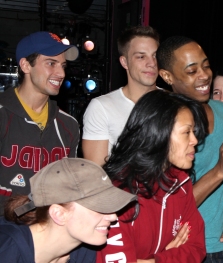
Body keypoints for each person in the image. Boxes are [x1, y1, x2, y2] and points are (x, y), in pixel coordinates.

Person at [157, 36, 223, 263]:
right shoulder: (164, 123)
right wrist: (220, 170)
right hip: (186, 246)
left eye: (206, 65)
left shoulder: (222, 111)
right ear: (167, 76)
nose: (204, 75)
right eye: (192, 70)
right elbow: (171, 205)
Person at [98, 90, 207, 262]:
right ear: (159, 133)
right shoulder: (118, 192)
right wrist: (166, 256)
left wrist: (154, 260)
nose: (194, 140)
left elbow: (197, 248)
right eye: (187, 132)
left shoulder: (180, 182)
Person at [0, 31, 80, 215]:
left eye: (63, 65)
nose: (60, 73)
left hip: (51, 229)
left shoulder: (68, 125)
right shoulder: (2, 114)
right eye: (51, 63)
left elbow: (68, 189)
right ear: (26, 65)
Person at [0, 158, 137, 263]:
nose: (113, 217)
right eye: (100, 208)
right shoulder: (6, 250)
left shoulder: (83, 249)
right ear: (59, 214)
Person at [82, 26, 160, 166]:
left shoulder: (173, 102)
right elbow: (96, 175)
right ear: (124, 62)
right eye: (141, 56)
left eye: (154, 55)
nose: (152, 63)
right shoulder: (102, 107)